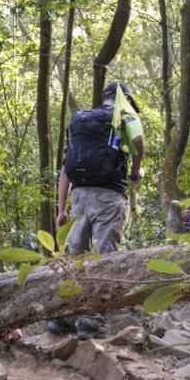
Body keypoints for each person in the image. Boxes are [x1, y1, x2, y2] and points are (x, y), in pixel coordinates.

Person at [47, 82, 144, 337]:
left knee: (74, 255)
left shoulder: (82, 122)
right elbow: (138, 140)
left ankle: (63, 317)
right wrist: (135, 169)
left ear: (104, 99)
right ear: (125, 100)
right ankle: (91, 321)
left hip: (79, 196)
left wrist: (61, 209)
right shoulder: (124, 116)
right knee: (106, 256)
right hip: (109, 197)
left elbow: (66, 169)